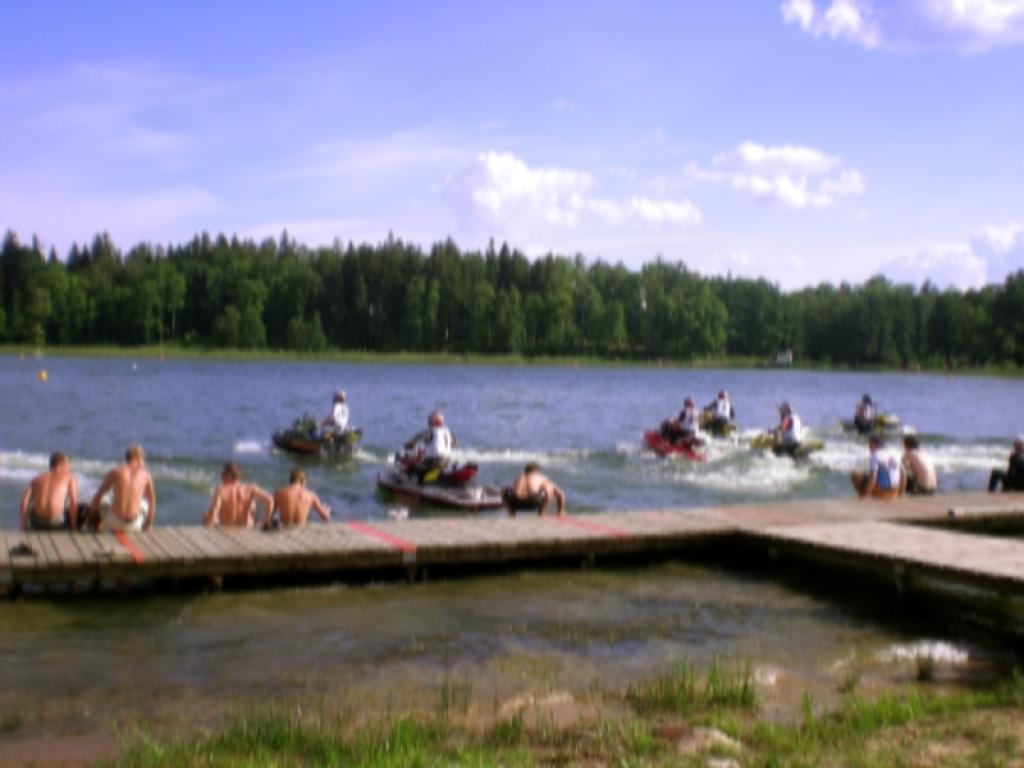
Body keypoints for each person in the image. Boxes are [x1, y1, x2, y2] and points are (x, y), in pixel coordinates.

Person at [88, 444, 157, 531]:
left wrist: (91, 516)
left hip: (113, 522)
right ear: (138, 458)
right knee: (145, 503)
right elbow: (152, 502)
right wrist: (148, 525)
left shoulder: (116, 471)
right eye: (143, 459)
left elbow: (98, 496)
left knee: (103, 500)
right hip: (134, 525)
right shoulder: (146, 475)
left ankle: (98, 528)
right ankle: (145, 526)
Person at [19, 452, 81, 531]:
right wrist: (73, 525)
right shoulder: (69, 478)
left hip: (37, 522)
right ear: (62, 464)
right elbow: (73, 502)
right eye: (68, 464)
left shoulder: (37, 479)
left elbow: (24, 501)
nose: (69, 468)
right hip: (57, 522)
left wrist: (23, 525)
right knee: (82, 509)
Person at [203, 462, 273, 528]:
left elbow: (214, 511)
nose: (221, 478)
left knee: (206, 516)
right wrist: (266, 522)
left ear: (229, 476)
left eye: (223, 474)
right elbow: (270, 500)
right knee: (253, 507)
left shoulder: (221, 490)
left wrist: (208, 523)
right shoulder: (250, 488)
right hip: (247, 528)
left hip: (228, 528)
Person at [264, 468, 331, 528]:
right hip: (301, 528)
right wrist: (327, 511)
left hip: (284, 526)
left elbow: (269, 516)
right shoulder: (311, 495)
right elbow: (325, 518)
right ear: (303, 481)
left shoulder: (278, 493)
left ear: (291, 480)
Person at [402, 410, 456, 475]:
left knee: (411, 467)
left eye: (429, 421)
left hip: (434, 462)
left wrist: (407, 445)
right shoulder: (447, 432)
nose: (428, 423)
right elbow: (454, 444)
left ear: (433, 422)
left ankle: (409, 480)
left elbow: (414, 442)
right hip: (448, 460)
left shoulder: (430, 432)